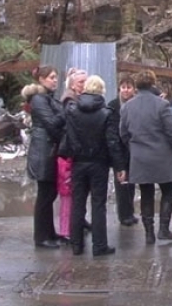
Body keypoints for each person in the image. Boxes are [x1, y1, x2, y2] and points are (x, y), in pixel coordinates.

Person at [58, 75, 126, 257]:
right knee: (98, 204)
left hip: (78, 162)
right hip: (99, 164)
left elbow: (69, 136)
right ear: (102, 91)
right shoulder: (107, 113)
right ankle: (99, 246)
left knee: (77, 203)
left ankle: (76, 245)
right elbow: (112, 142)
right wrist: (120, 167)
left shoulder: (72, 110)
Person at [119, 70, 172, 244]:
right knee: (168, 190)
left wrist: (133, 148)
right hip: (162, 155)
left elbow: (123, 133)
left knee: (146, 192)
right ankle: (163, 228)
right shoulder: (162, 105)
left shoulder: (127, 107)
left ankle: (148, 233)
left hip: (139, 156)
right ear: (153, 84)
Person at [26, 66, 66, 248]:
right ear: (41, 80)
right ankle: (41, 237)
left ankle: (49, 232)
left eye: (56, 77)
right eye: (51, 77)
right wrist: (64, 113)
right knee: (45, 195)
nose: (54, 80)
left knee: (50, 193)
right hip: (43, 152)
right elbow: (51, 124)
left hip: (49, 150)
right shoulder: (39, 100)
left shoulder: (48, 98)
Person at [56, 68, 88, 244]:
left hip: (71, 152)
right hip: (69, 154)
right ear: (73, 84)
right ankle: (67, 230)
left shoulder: (74, 99)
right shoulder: (70, 101)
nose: (84, 85)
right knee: (68, 193)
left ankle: (76, 224)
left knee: (75, 192)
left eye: (85, 81)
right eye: (81, 82)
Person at [107, 75, 139, 226]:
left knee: (131, 183)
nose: (126, 90)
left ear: (134, 89)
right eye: (123, 87)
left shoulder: (137, 104)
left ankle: (130, 212)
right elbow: (112, 132)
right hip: (119, 149)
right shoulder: (113, 106)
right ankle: (124, 214)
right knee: (121, 183)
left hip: (134, 150)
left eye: (129, 87)